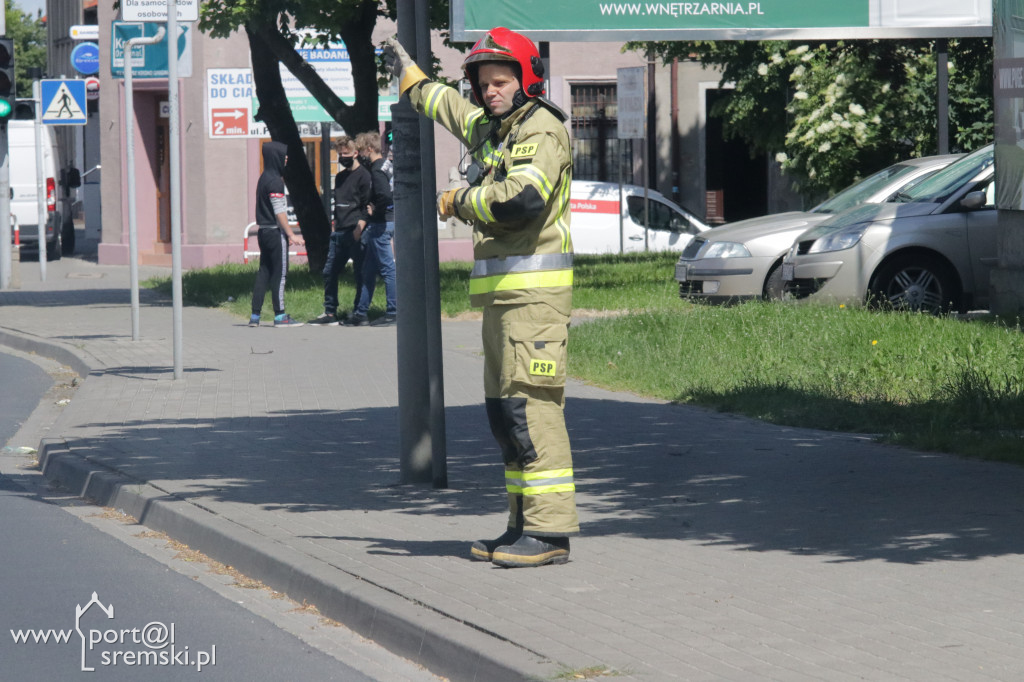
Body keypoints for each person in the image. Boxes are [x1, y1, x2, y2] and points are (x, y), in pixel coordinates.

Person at [384, 28, 577, 567]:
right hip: (505, 302)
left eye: (500, 81)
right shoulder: (495, 130)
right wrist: (412, 78)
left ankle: (551, 533)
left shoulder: (539, 128)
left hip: (534, 304)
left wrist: (460, 200)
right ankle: (522, 527)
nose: (489, 91)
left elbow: (525, 196)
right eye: (482, 82)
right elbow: (449, 108)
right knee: (506, 415)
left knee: (533, 414)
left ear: (526, 81)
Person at [309, 136, 371, 325]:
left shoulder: (364, 176)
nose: (342, 157)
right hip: (339, 232)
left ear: (355, 153)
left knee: (360, 273)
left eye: (346, 153)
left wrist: (360, 228)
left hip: (355, 231)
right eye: (340, 154)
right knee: (329, 272)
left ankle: (359, 312)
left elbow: (366, 205)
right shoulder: (341, 176)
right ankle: (330, 312)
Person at [343, 131, 397, 327]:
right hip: (388, 221)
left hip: (381, 223)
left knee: (388, 269)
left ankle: (393, 311)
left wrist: (375, 209)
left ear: (370, 149)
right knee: (368, 270)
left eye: (362, 151)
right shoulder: (388, 165)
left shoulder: (376, 169)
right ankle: (361, 313)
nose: (361, 155)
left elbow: (384, 195)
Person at [250, 141, 304, 328]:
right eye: (283, 155)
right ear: (276, 157)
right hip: (274, 232)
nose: (286, 158)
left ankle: (255, 316)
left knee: (264, 271)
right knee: (280, 274)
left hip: (263, 231)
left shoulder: (263, 178)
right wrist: (291, 234)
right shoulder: (275, 182)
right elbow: (280, 211)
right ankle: (280, 316)